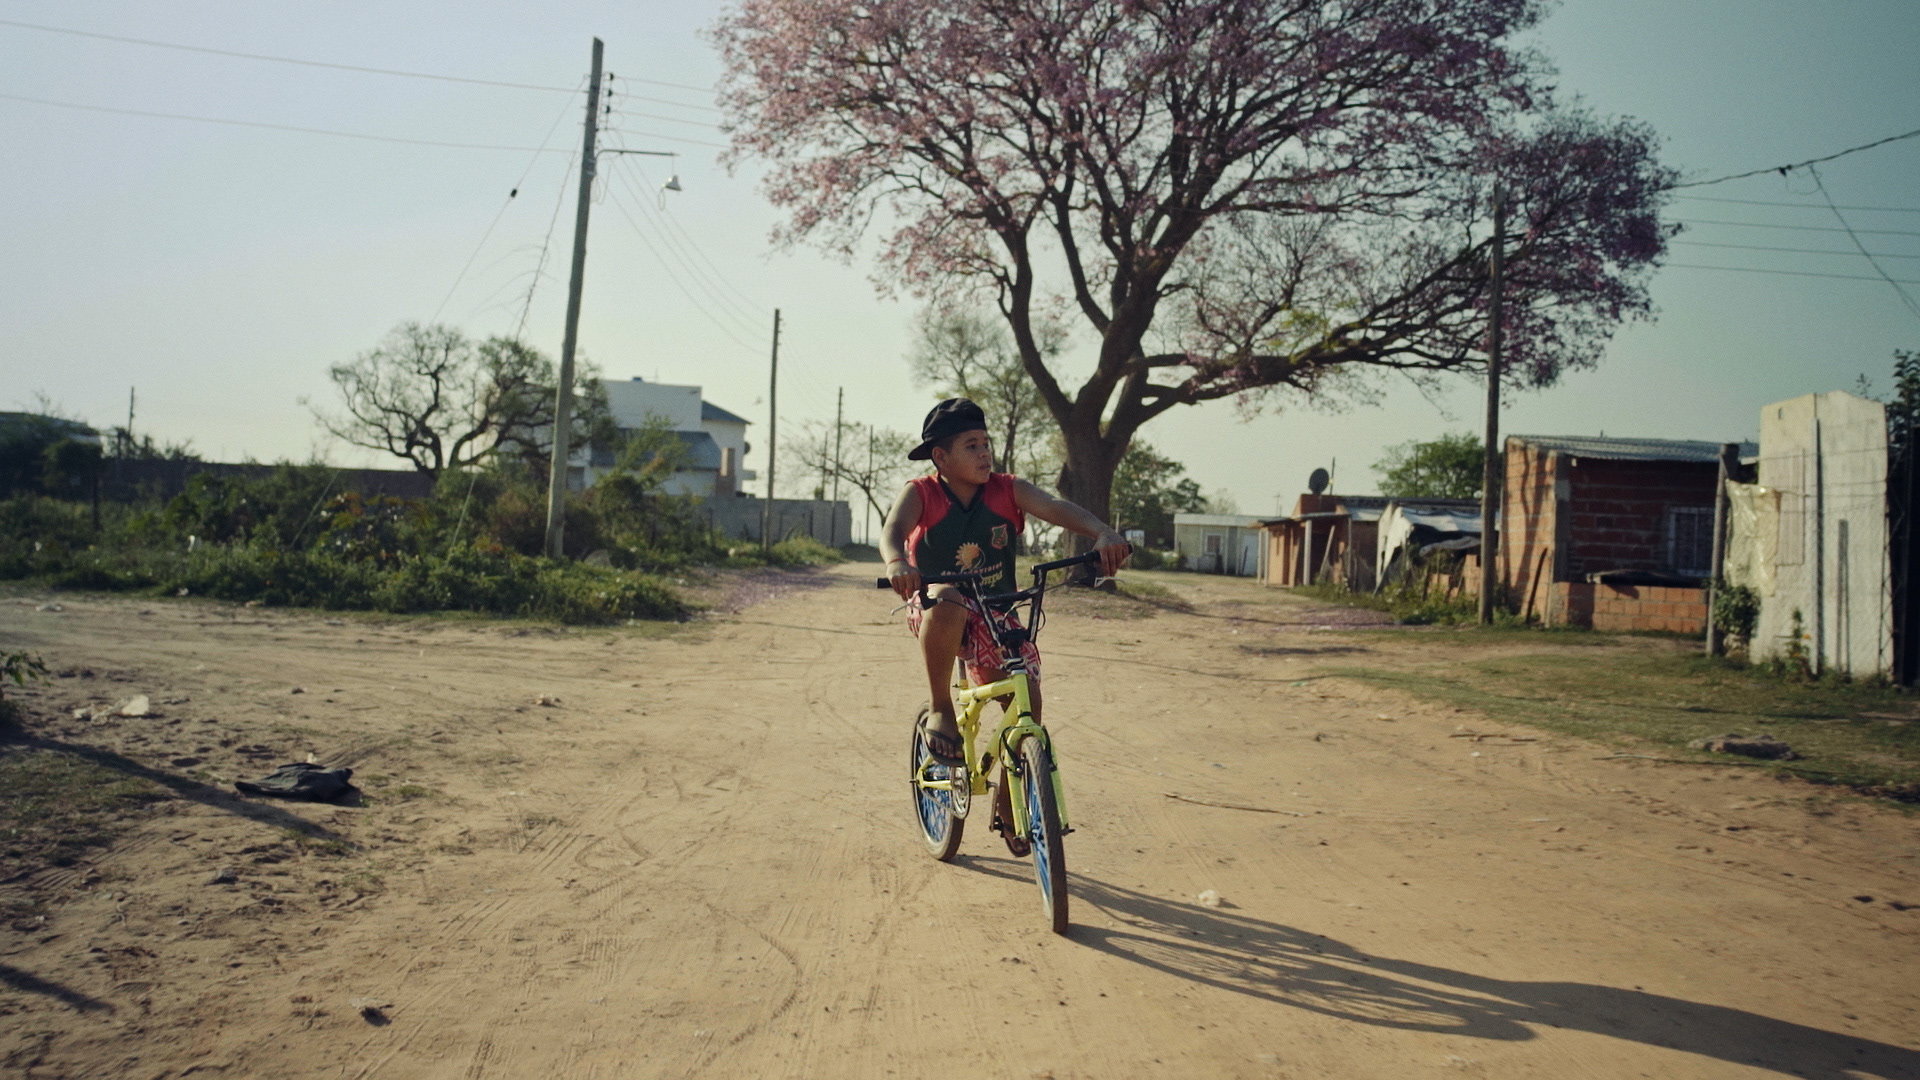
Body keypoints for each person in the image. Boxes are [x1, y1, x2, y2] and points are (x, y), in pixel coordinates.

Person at [880, 398, 1130, 780]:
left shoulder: (1008, 489)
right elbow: (893, 529)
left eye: (986, 443)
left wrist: (1103, 532)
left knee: (1024, 694)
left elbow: (1054, 506)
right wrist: (897, 562)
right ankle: (941, 707)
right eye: (971, 446)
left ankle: (1016, 795)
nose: (985, 453)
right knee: (948, 599)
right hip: (934, 604)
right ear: (940, 457)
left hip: (994, 611)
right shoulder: (921, 493)